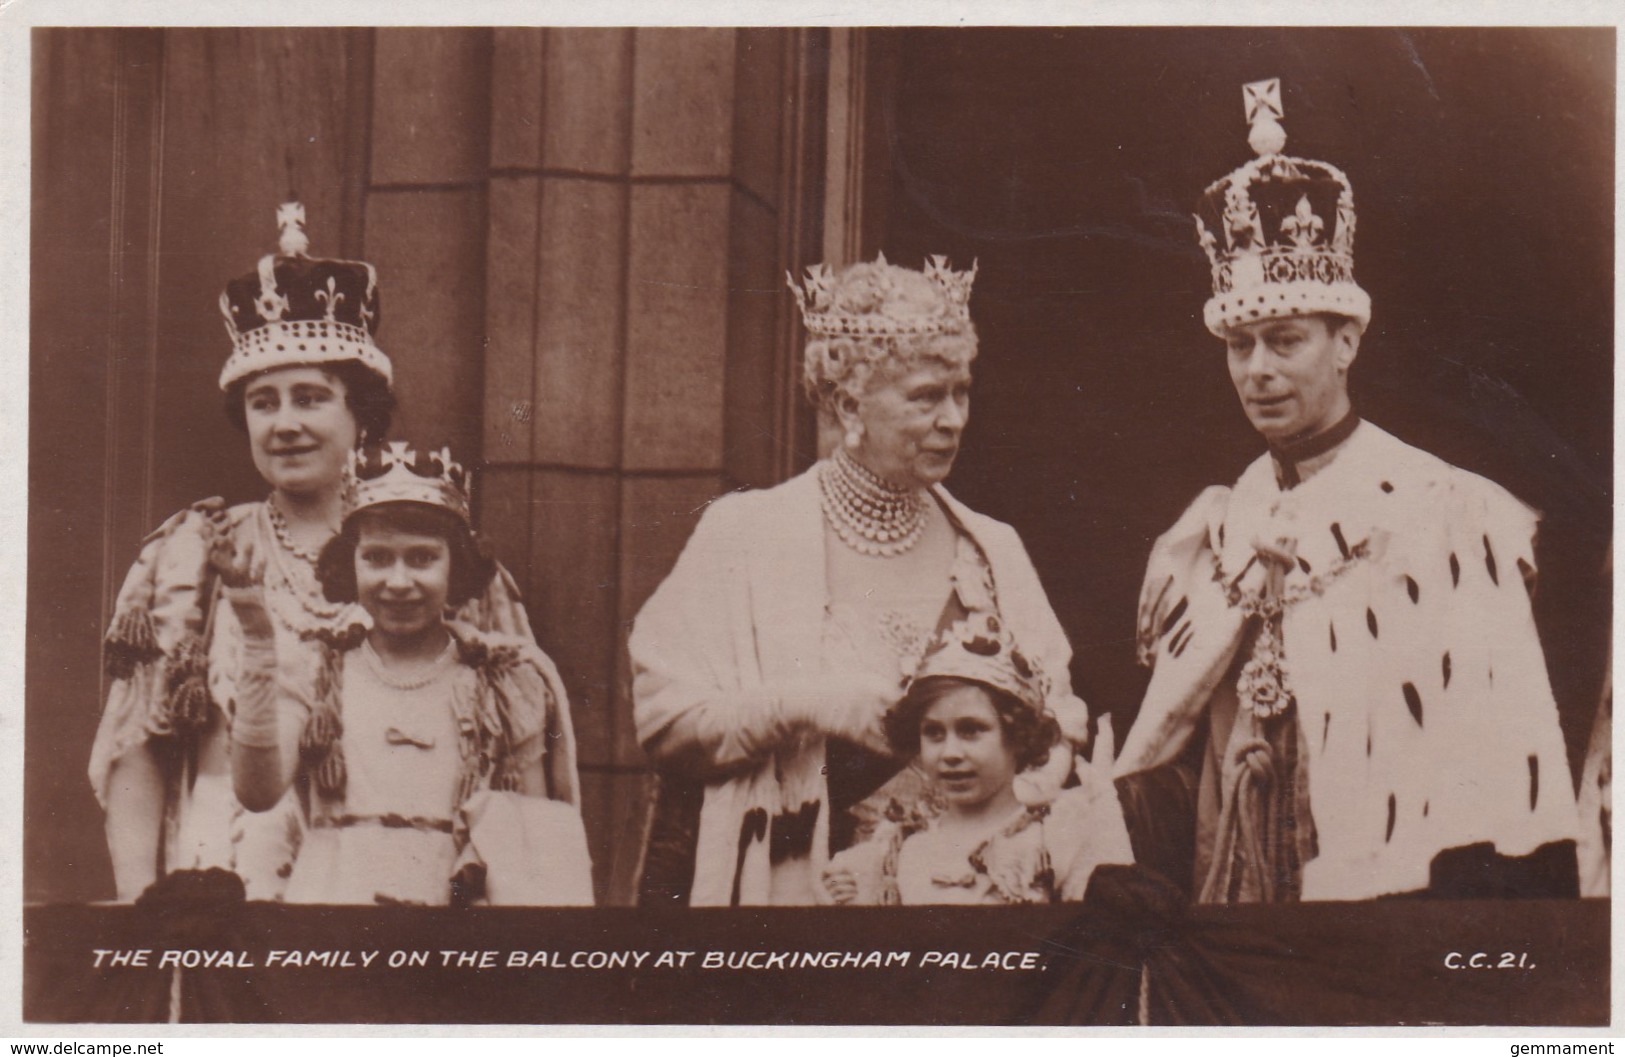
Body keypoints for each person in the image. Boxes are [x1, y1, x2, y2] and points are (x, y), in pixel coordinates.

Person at [1114, 79, 1581, 902]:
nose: (1256, 370)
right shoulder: (1217, 528)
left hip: (1386, 900)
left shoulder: (1443, 510)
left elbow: (1495, 765)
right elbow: (1171, 751)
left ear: (1346, 341)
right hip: (1233, 888)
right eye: (1240, 345)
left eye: (1284, 341)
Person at [88, 204, 532, 901]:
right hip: (220, 870)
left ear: (360, 415)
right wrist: (140, 904)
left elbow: (511, 752)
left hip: (399, 867)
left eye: (310, 397)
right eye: (264, 403)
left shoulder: (437, 553)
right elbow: (137, 747)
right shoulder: (195, 553)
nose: (286, 423)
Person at [630, 253, 1092, 907]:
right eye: (926, 396)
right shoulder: (744, 533)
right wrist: (814, 703)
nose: (954, 418)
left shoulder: (993, 550)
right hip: (799, 892)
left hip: (968, 902)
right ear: (850, 403)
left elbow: (1057, 724)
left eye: (960, 391)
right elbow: (667, 722)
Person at [221, 442, 590, 906]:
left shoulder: (503, 680)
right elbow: (257, 791)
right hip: (330, 917)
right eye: (376, 558)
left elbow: (532, 838)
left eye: (421, 558)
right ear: (348, 563)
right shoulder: (317, 670)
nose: (398, 582)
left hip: (451, 927)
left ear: (455, 564)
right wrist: (257, 635)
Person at [821, 612, 1132, 905]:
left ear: (1017, 738)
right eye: (934, 733)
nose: (951, 753)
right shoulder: (895, 854)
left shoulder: (1055, 838)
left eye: (971, 731)